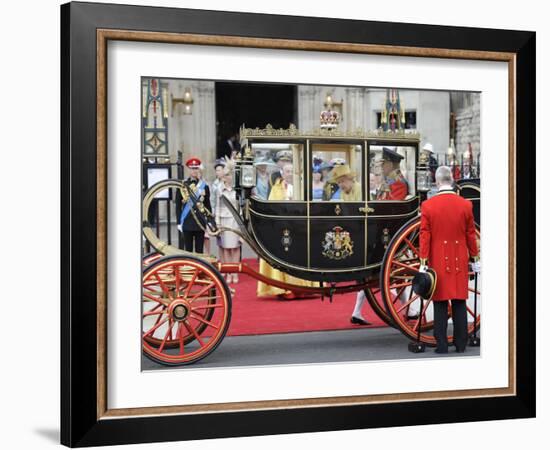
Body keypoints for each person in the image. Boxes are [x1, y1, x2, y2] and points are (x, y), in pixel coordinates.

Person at [419, 166, 480, 353]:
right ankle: (461, 344)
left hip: (438, 258)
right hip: (460, 258)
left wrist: (422, 262)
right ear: (452, 180)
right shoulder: (465, 205)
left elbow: (424, 236)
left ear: (437, 182)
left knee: (440, 302)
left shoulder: (428, 206)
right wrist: (475, 257)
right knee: (459, 301)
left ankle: (442, 345)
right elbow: (471, 234)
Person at [257, 163, 315, 299]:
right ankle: (284, 288)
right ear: (282, 173)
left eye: (292, 171)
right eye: (287, 171)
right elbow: (272, 208)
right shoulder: (276, 188)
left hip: (300, 226)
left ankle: (304, 287)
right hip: (282, 227)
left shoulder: (302, 186)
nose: (289, 173)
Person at [178, 157, 211, 254]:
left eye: (196, 168)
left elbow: (207, 205)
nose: (194, 171)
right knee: (187, 250)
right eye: (192, 168)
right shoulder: (183, 185)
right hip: (187, 221)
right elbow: (178, 205)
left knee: (199, 251)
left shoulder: (204, 186)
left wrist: (209, 221)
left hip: (200, 222)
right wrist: (179, 222)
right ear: (188, 169)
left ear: (199, 169)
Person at [215, 166, 241, 284]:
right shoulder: (219, 189)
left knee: (235, 247)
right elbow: (217, 207)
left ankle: (235, 272)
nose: (227, 177)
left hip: (235, 220)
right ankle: (228, 272)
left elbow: (240, 207)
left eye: (229, 175)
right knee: (225, 248)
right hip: (224, 220)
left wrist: (242, 224)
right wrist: (217, 223)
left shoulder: (237, 189)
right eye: (225, 175)